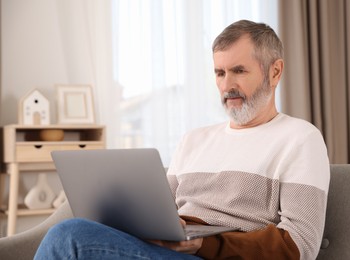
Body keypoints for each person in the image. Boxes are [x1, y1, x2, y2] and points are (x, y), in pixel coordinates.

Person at [35, 20, 329, 260]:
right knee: (74, 230)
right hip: (167, 251)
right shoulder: (194, 140)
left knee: (68, 237)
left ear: (275, 72)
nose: (227, 85)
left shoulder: (300, 139)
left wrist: (204, 245)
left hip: (213, 256)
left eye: (239, 71)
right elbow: (160, 213)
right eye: (220, 72)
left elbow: (299, 245)